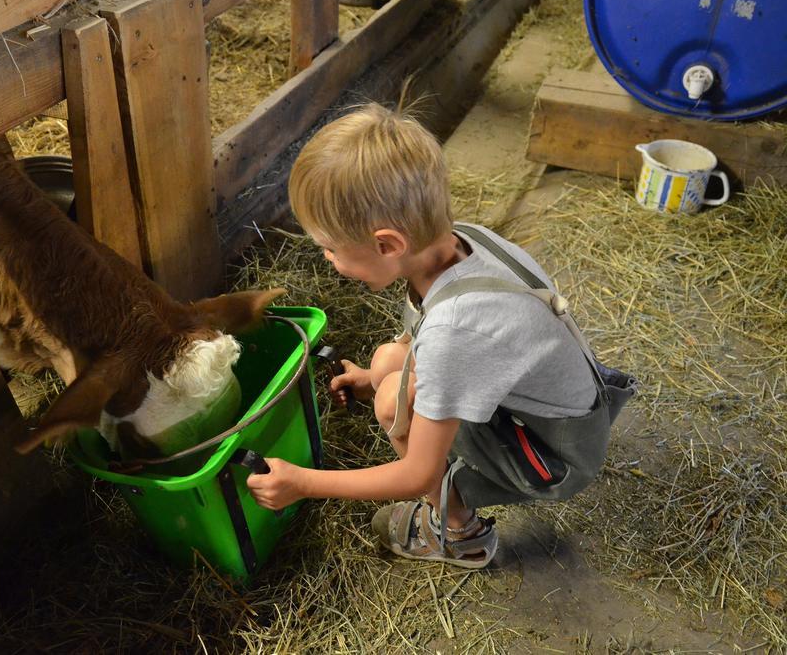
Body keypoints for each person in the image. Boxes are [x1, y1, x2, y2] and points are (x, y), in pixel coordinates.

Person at [246, 103, 632, 568]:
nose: (329, 260)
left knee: (393, 400)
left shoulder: (457, 329)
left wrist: (303, 483)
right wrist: (373, 373)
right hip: (557, 411)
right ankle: (389, 387)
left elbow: (415, 474)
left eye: (331, 249)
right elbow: (428, 334)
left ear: (388, 244)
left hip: (552, 458)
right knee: (390, 360)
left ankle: (458, 533)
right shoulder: (462, 240)